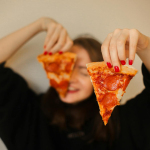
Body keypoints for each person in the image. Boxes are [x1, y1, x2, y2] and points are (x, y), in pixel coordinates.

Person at [0, 17, 150, 150]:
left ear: (102, 80)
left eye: (84, 72)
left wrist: (145, 47)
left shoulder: (123, 122)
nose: (71, 78)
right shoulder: (28, 114)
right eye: (64, 68)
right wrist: (41, 24)